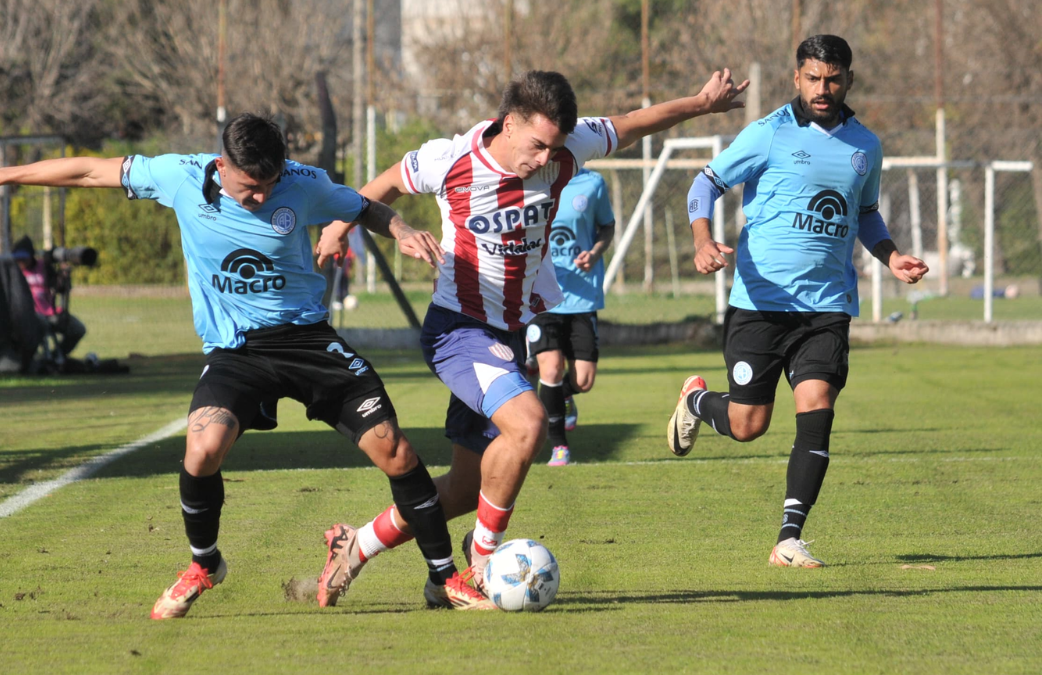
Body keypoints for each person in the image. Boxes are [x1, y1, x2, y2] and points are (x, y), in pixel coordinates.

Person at [0, 113, 496, 616]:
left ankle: (444, 577)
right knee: (202, 449)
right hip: (236, 351)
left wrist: (399, 229)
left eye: (268, 187)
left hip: (307, 340)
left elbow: (364, 206)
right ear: (222, 165)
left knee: (394, 450)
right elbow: (87, 171)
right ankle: (205, 564)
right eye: (249, 188)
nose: (259, 198)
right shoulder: (180, 175)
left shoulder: (300, 184)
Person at [314, 68, 749, 606]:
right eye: (538, 145)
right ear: (510, 122)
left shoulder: (567, 148)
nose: (545, 159)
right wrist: (338, 227)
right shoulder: (452, 159)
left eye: (555, 148)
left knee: (464, 489)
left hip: (509, 335)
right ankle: (482, 561)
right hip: (458, 330)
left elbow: (634, 123)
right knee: (529, 424)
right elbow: (381, 186)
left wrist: (700, 105)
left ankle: (353, 547)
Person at [667, 35, 929, 568]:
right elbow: (704, 184)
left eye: (833, 79)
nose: (823, 88)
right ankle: (696, 402)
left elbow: (867, 214)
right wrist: (701, 239)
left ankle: (789, 537)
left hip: (827, 306)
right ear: (797, 79)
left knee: (817, 407)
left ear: (849, 80)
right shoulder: (768, 134)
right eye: (813, 78)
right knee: (748, 425)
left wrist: (891, 255)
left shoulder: (865, 146)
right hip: (760, 304)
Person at [524, 167, 615, 466]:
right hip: (542, 296)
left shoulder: (592, 183)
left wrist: (595, 252)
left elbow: (607, 227)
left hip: (582, 296)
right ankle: (559, 446)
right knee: (549, 369)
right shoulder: (531, 179)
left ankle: (562, 395)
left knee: (584, 380)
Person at [10, 235, 86, 360]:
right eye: (18, 259)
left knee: (78, 329)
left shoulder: (43, 266)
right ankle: (34, 359)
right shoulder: (13, 272)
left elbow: (58, 287)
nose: (21, 261)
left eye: (24, 258)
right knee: (41, 324)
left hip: (50, 313)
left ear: (31, 256)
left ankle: (56, 355)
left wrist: (64, 276)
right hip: (28, 316)